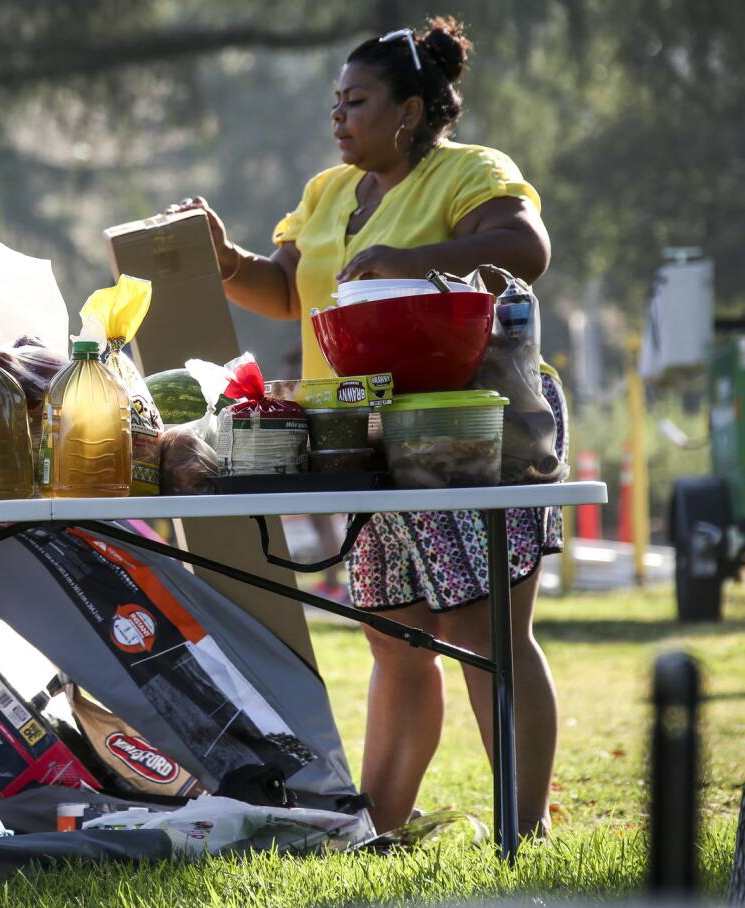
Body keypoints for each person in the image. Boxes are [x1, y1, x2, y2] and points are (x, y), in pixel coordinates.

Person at [171, 18, 562, 836]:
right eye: (335, 104)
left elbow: (526, 249)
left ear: (411, 112)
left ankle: (523, 832)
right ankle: (378, 829)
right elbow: (286, 291)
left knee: (482, 628)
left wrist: (409, 261)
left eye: (357, 102)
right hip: (365, 435)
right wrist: (222, 257)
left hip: (469, 431)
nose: (339, 118)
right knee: (400, 639)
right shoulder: (327, 192)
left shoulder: (470, 171)